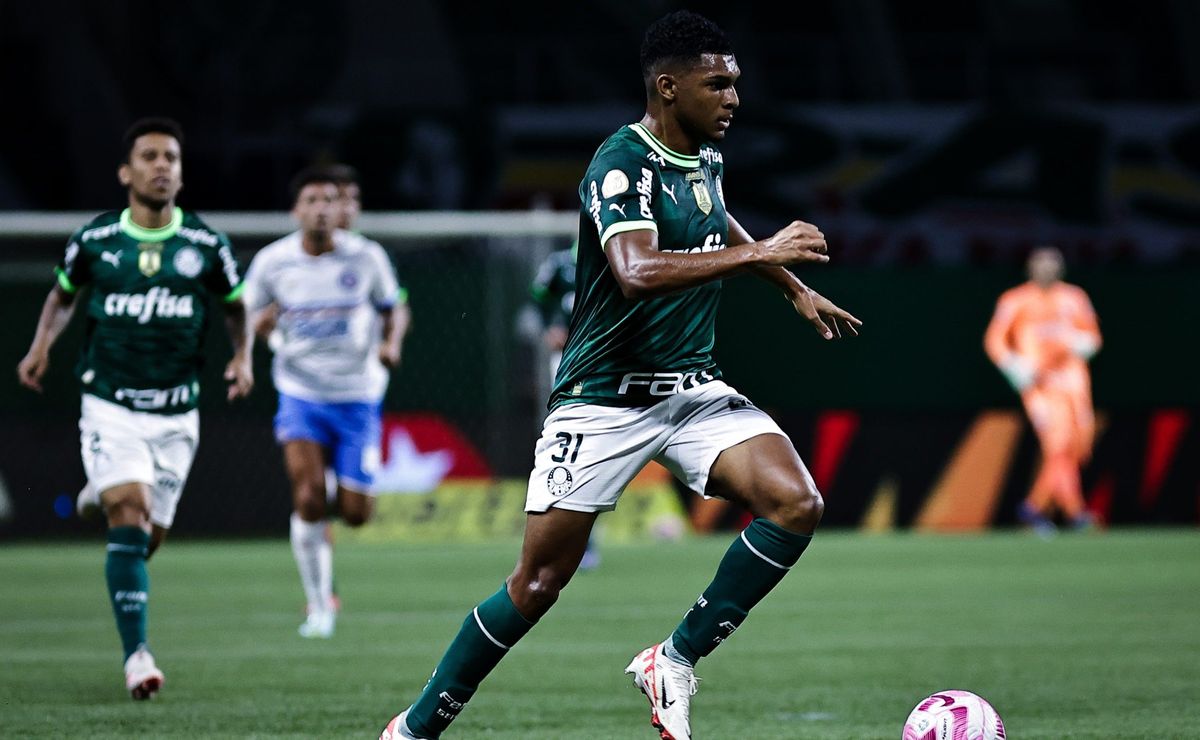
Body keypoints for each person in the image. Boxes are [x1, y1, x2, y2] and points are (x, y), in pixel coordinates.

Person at [380, 11, 861, 740]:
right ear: (668, 87)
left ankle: (673, 660)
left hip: (690, 389)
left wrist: (791, 285)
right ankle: (413, 729)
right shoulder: (620, 161)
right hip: (603, 400)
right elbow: (635, 271)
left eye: (734, 83)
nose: (733, 98)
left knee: (796, 502)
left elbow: (717, 217)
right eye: (717, 84)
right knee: (538, 584)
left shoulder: (705, 156)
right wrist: (764, 251)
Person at [16, 117, 253, 700]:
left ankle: (97, 494)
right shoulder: (96, 240)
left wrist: (243, 357)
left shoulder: (205, 244)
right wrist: (41, 346)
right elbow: (62, 296)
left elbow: (235, 306)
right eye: (149, 156)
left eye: (171, 157)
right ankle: (137, 657)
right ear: (126, 172)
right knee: (131, 508)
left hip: (176, 413)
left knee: (146, 539)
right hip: (111, 403)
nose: (161, 166)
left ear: (181, 172)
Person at [242, 166, 410, 639]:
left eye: (329, 201)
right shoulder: (274, 262)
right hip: (301, 392)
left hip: (357, 395)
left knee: (356, 513)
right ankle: (319, 607)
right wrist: (257, 332)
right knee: (308, 498)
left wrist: (391, 342)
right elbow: (245, 313)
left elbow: (394, 306)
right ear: (296, 210)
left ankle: (334, 481)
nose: (321, 209)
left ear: (342, 209)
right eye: (312, 200)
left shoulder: (367, 257)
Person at [985, 246, 1101, 534]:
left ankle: (1045, 509)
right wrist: (1015, 367)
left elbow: (1092, 337)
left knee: (1075, 448)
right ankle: (1064, 511)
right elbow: (994, 340)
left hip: (1073, 383)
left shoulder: (1075, 297)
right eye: (1041, 264)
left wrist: (1076, 343)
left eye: (1053, 264)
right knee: (1058, 445)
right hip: (1041, 386)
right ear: (1030, 268)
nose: (1047, 269)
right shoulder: (1014, 300)